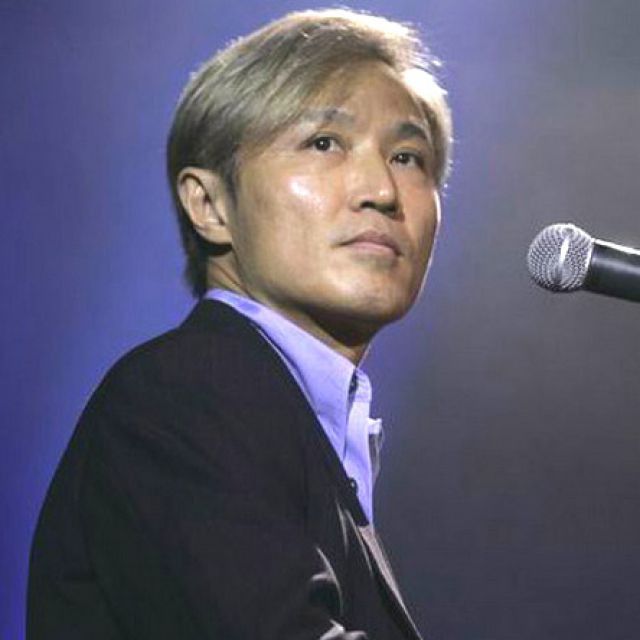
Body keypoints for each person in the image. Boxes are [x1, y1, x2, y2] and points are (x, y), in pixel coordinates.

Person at [27, 8, 452, 639]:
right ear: (209, 204)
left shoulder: (290, 422)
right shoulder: (183, 395)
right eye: (324, 143)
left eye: (409, 157)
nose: (382, 190)